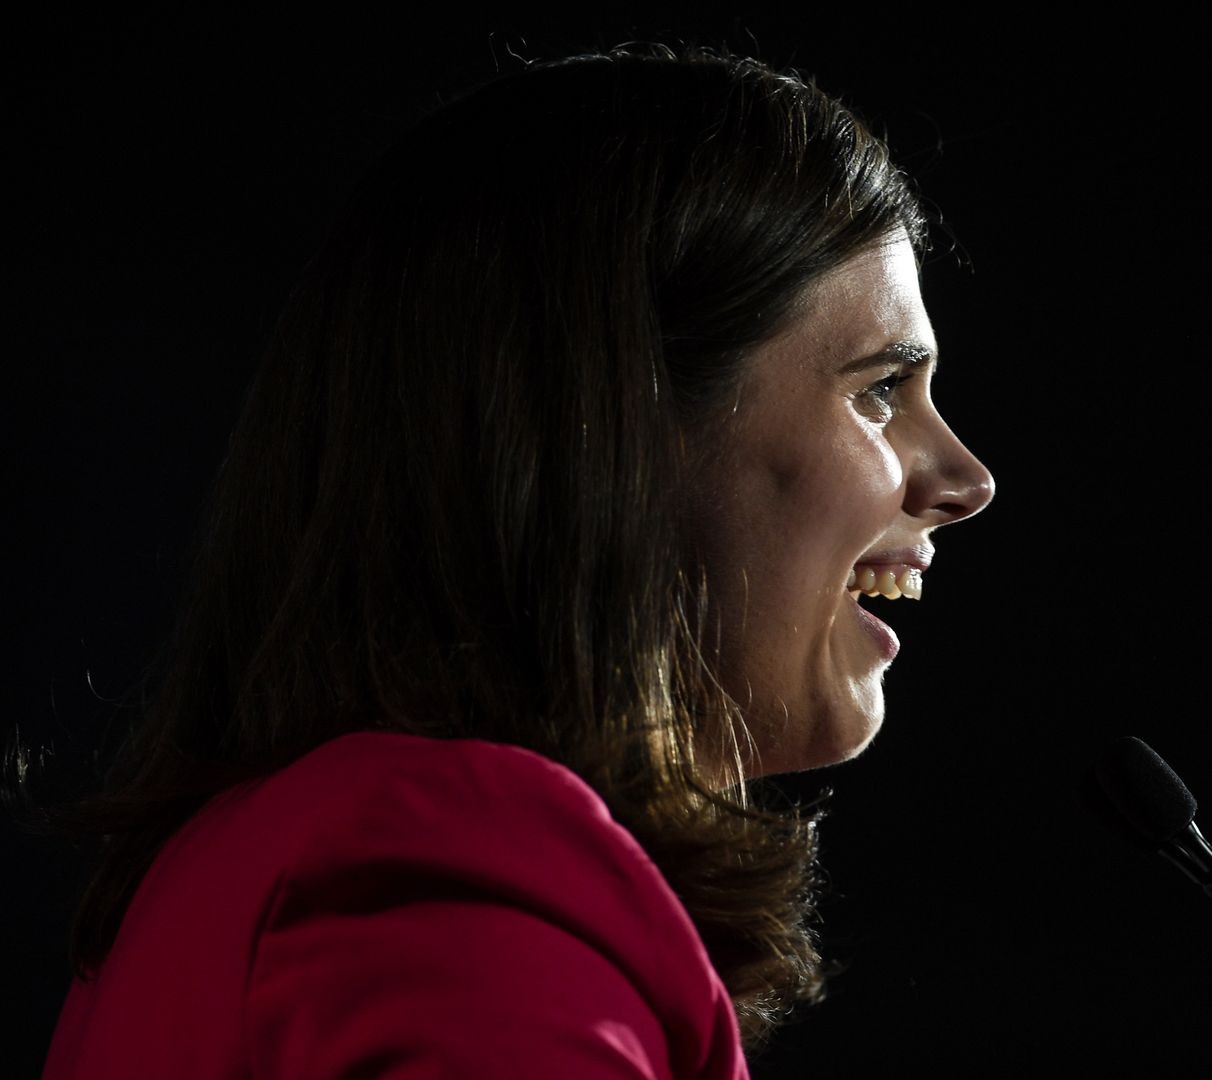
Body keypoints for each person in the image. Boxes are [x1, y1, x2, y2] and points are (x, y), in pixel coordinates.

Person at [33, 43, 994, 1077]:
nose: (967, 478)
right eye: (879, 392)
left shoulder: (264, 859)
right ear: (620, 428)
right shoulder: (445, 877)